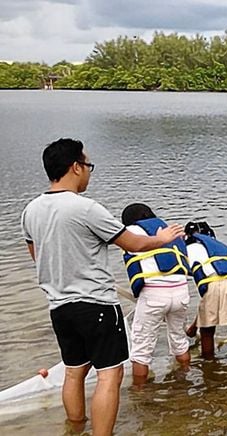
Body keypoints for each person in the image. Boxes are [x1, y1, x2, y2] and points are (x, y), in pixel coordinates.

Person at [20, 138, 184, 436]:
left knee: (74, 371)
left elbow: (37, 255)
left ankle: (75, 429)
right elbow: (132, 244)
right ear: (75, 167)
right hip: (96, 304)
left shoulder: (30, 210)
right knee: (110, 374)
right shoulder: (86, 209)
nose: (89, 173)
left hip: (59, 307)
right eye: (88, 165)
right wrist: (162, 239)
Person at [121, 203, 192, 386]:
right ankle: (184, 379)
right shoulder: (171, 231)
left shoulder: (131, 230)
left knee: (141, 350)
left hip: (154, 293)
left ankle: (140, 393)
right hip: (181, 291)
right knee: (179, 339)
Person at [183, 221, 227, 359]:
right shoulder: (223, 248)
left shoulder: (189, 248)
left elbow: (209, 295)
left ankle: (209, 366)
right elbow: (208, 302)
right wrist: (193, 326)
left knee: (207, 331)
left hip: (214, 284)